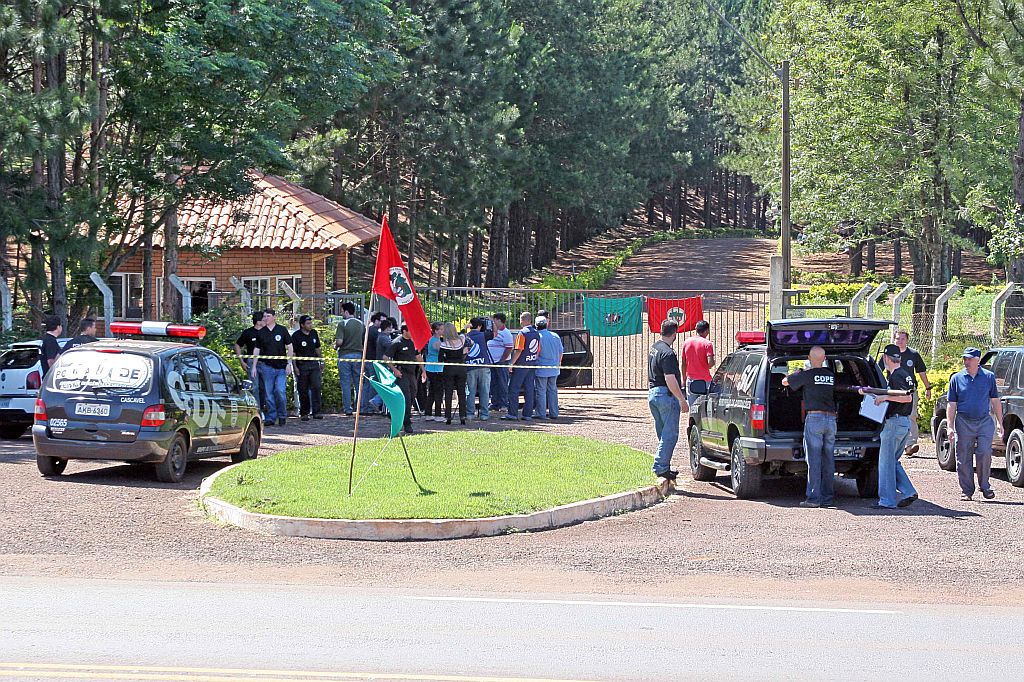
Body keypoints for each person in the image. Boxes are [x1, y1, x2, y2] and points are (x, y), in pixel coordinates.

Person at [782, 346, 836, 508]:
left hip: (815, 419)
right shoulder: (831, 376)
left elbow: (785, 382)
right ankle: (827, 498)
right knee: (828, 459)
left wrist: (797, 372)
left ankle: (813, 499)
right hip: (831, 420)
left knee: (814, 459)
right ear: (825, 358)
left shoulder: (806, 375)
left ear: (808, 358)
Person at [866, 344, 919, 509]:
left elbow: (906, 398)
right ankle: (909, 491)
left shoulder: (896, 376)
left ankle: (887, 501)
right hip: (903, 423)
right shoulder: (905, 374)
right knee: (892, 461)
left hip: (894, 423)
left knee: (886, 463)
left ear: (886, 358)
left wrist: (884, 398)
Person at [947, 347, 1003, 501]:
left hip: (984, 421)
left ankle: (985, 486)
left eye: (970, 358)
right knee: (963, 455)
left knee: (984, 452)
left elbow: (995, 401)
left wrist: (1000, 423)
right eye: (965, 358)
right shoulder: (957, 378)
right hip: (964, 421)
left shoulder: (989, 377)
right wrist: (950, 427)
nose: (967, 361)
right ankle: (967, 490)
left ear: (978, 360)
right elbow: (951, 404)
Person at [878, 329, 932, 457]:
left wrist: (928, 388)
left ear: (907, 340)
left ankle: (910, 444)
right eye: (897, 338)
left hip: (910, 391)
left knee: (911, 415)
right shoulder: (887, 355)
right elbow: (878, 371)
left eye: (902, 339)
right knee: (891, 416)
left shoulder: (913, 354)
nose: (899, 341)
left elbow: (921, 372)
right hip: (892, 391)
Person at [648, 320, 688, 481]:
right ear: (674, 333)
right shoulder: (668, 354)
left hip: (653, 394)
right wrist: (681, 399)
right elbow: (670, 378)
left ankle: (664, 465)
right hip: (666, 395)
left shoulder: (655, 348)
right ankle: (661, 466)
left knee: (663, 433)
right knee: (670, 434)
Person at [253, 309, 293, 427]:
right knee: (268, 394)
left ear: (274, 317)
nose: (266, 318)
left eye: (268, 316)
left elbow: (290, 347)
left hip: (281, 367)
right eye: (264, 316)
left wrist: (289, 364)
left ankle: (282, 415)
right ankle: (271, 417)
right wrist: (254, 366)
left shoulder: (282, 330)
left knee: (280, 391)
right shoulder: (261, 332)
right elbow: (256, 350)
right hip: (266, 367)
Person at [384, 324, 423, 435]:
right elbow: (386, 357)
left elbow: (417, 356)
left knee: (413, 394)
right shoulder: (397, 342)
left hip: (412, 373)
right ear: (404, 331)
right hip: (402, 373)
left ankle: (394, 414)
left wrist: (423, 370)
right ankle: (407, 423)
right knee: (406, 397)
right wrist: (394, 370)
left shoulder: (413, 342)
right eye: (411, 330)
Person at [504, 312, 541, 421]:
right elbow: (538, 351)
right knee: (529, 389)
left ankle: (512, 413)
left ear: (524, 320)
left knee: (513, 389)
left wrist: (511, 363)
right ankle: (527, 414)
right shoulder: (536, 333)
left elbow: (519, 350)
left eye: (521, 319)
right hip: (532, 364)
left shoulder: (522, 333)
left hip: (521, 365)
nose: (520, 322)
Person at [234, 311, 268, 419]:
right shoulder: (248, 333)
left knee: (265, 388)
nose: (266, 321)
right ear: (258, 322)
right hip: (251, 363)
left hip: (266, 363)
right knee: (254, 387)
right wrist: (241, 361)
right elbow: (237, 345)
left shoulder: (268, 332)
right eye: (263, 319)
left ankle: (264, 409)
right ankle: (256, 410)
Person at [334, 302, 365, 416]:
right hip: (358, 355)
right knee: (358, 383)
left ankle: (348, 408)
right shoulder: (361, 324)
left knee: (346, 383)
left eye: (342, 311)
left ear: (346, 312)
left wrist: (335, 346)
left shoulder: (343, 324)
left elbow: (339, 341)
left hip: (345, 355)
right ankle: (359, 407)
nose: (341, 313)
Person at [291, 315, 323, 422]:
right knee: (303, 389)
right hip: (302, 365)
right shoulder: (296, 336)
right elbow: (293, 353)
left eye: (311, 323)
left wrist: (321, 360)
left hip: (314, 364)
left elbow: (317, 348)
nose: (310, 325)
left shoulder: (314, 333)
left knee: (316, 387)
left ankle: (317, 412)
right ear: (302, 325)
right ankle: (304, 412)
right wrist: (295, 367)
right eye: (308, 323)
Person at [438, 322, 469, 425]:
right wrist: (465, 327)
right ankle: (462, 416)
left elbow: (440, 360)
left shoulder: (444, 344)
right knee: (461, 392)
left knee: (448, 392)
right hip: (461, 368)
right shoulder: (461, 340)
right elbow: (463, 334)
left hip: (449, 369)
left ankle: (448, 417)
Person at [534, 316, 563, 420]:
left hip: (541, 368)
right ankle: (554, 413)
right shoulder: (555, 336)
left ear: (536, 325)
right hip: (554, 368)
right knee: (552, 390)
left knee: (541, 391)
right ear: (546, 324)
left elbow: (536, 353)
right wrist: (558, 363)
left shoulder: (537, 337)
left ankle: (541, 413)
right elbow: (561, 352)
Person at [682, 320, 715, 407]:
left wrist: (684, 378)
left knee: (692, 407)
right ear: (707, 330)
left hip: (691, 379)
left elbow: (683, 363)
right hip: (705, 380)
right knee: (705, 407)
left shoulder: (687, 342)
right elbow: (710, 363)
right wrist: (710, 364)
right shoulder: (707, 344)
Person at [465, 318, 493, 420]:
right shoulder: (484, 335)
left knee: (470, 391)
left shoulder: (465, 336)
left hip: (470, 366)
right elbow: (495, 333)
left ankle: (470, 414)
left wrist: (464, 329)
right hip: (484, 366)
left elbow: (458, 336)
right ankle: (484, 414)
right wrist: (491, 323)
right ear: (480, 326)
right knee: (485, 391)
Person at [488, 313, 514, 412]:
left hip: (501, 362)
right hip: (492, 361)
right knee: (493, 382)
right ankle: (494, 403)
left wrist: (502, 359)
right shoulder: (492, 332)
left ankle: (503, 404)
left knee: (503, 383)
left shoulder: (506, 333)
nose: (493, 323)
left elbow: (509, 348)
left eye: (494, 321)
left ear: (499, 321)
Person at [360, 312, 385, 413]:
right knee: (373, 384)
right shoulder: (375, 332)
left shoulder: (367, 330)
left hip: (365, 359)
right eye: (382, 321)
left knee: (366, 384)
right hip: (372, 360)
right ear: (376, 321)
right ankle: (370, 407)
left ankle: (363, 407)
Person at [423, 322, 445, 422]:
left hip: (433, 368)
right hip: (435, 369)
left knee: (432, 391)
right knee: (438, 391)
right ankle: (438, 414)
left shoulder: (435, 340)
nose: (443, 331)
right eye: (441, 329)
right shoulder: (435, 341)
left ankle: (428, 413)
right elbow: (441, 351)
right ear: (436, 330)